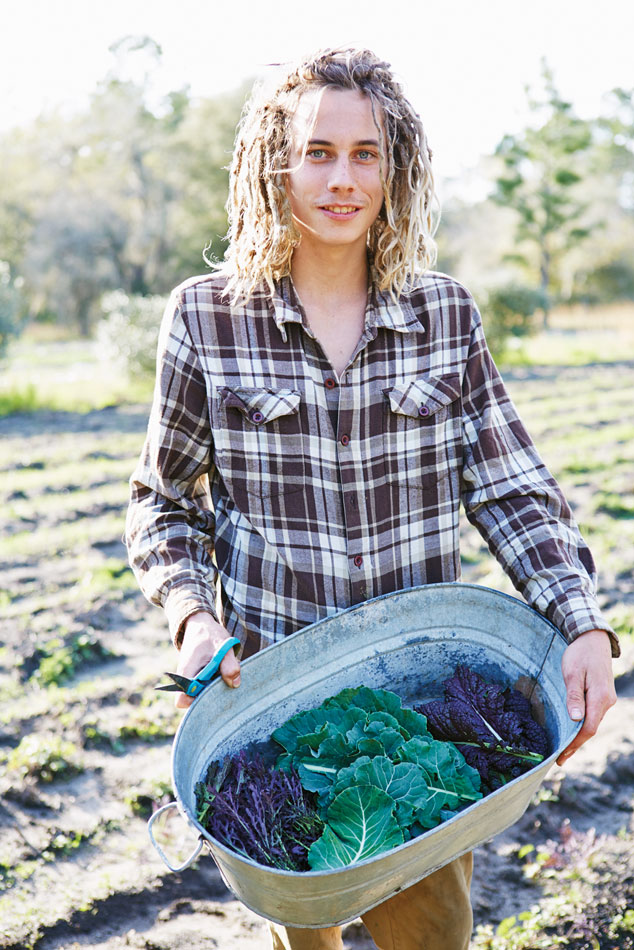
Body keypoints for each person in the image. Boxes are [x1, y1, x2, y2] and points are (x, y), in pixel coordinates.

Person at [125, 47, 618, 950]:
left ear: (397, 171)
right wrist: (193, 619)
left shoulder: (444, 317)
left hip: (417, 715)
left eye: (366, 154)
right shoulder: (207, 319)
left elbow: (512, 488)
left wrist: (581, 623)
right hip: (272, 704)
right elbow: (163, 503)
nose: (342, 179)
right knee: (301, 927)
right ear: (276, 165)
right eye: (317, 153)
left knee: (432, 932)